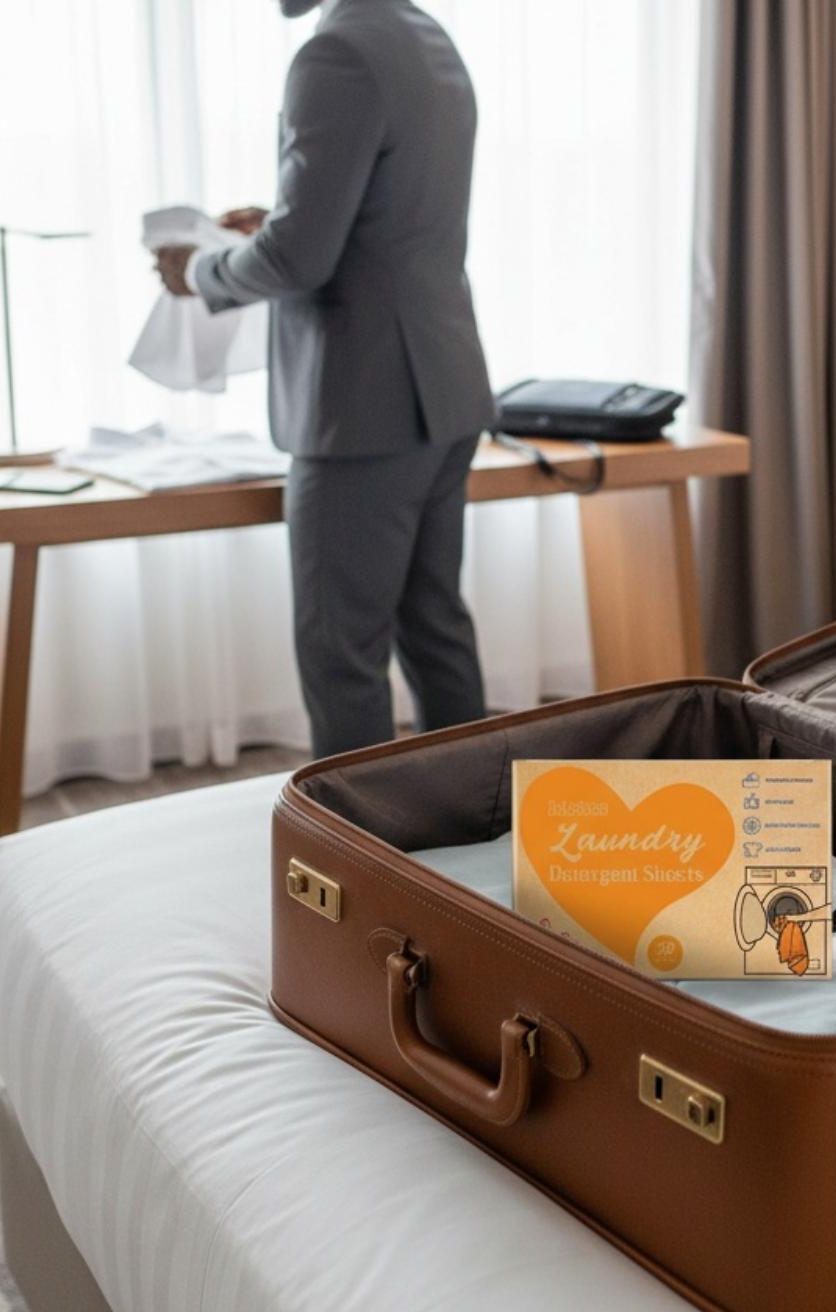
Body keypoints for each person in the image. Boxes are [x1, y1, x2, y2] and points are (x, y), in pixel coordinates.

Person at [154, 0, 494, 756]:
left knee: (340, 653)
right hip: (445, 387)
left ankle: (351, 832)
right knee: (435, 626)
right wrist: (279, 219)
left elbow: (300, 259)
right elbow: (383, 215)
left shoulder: (335, 53)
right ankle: (478, 814)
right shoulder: (425, 37)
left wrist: (200, 270)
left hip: (363, 406)